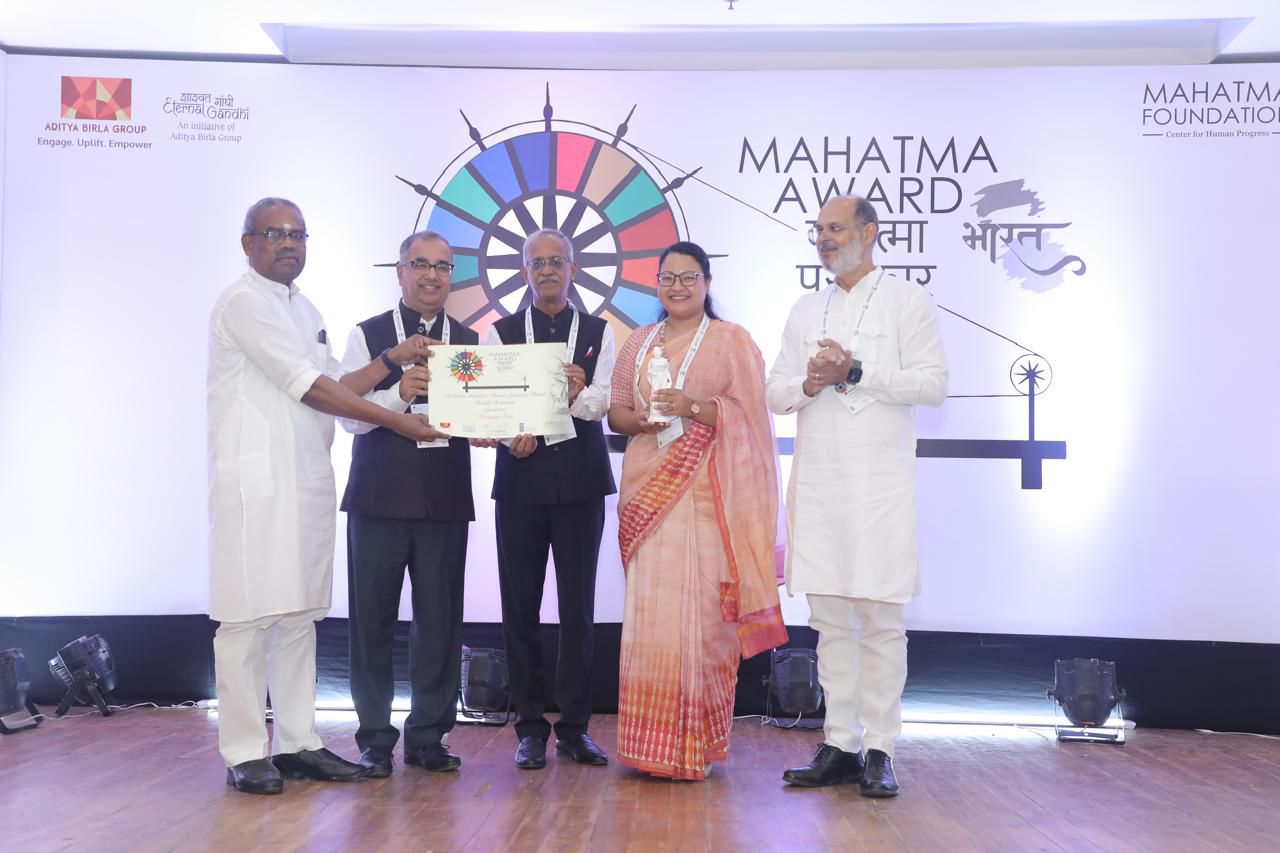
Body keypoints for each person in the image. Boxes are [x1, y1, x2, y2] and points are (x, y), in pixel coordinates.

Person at [208, 198, 441, 795]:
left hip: (306, 479)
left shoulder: (304, 307)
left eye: (298, 235)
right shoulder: (243, 303)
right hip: (256, 485)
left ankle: (297, 743)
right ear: (248, 243)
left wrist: (390, 360)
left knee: (298, 616)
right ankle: (243, 750)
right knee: (246, 618)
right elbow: (312, 388)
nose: (289, 243)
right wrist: (396, 419)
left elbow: (339, 381)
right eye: (275, 234)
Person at [766, 195, 947, 798]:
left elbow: (933, 385)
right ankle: (839, 743)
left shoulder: (906, 299)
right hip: (820, 482)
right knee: (829, 621)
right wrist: (811, 380)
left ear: (868, 233)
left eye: (836, 228)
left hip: (878, 487)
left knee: (879, 619)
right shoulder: (805, 308)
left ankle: (880, 749)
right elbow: (775, 393)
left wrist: (857, 372)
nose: (824, 238)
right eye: (818, 229)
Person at [608, 241, 788, 780]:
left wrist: (693, 407)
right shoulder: (638, 341)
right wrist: (640, 422)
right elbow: (616, 412)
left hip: (710, 499)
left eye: (689, 277)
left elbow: (751, 417)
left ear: (707, 283)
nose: (678, 287)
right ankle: (649, 745)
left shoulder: (732, 341)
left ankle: (694, 746)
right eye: (668, 277)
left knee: (704, 622)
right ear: (657, 284)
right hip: (648, 493)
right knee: (652, 619)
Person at [338, 231, 479, 777]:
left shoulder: (470, 342)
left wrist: (506, 426)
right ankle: (375, 738)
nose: (431, 275)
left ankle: (428, 736)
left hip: (443, 501)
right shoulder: (368, 335)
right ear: (399, 272)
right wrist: (399, 393)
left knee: (440, 626)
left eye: (442, 266)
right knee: (371, 625)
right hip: (377, 501)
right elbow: (348, 417)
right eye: (420, 264)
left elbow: (479, 416)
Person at [486, 228, 615, 770]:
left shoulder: (600, 331)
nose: (546, 271)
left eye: (556, 261)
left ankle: (576, 728)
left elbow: (606, 400)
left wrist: (579, 392)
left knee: (577, 609)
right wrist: (506, 436)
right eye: (536, 263)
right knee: (520, 608)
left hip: (581, 482)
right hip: (521, 482)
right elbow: (491, 403)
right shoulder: (501, 333)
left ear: (573, 268)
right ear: (524, 272)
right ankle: (530, 728)